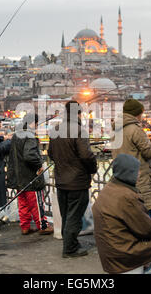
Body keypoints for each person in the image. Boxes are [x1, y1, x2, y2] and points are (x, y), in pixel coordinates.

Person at [93, 153, 151, 274]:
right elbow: (148, 230)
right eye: (136, 171)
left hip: (110, 253)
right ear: (128, 173)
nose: (139, 174)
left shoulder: (108, 189)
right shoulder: (127, 196)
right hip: (124, 255)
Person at [49, 101, 97, 258]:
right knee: (74, 216)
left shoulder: (55, 129)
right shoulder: (79, 130)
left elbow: (50, 154)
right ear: (78, 114)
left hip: (61, 179)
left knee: (66, 215)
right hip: (77, 181)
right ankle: (69, 249)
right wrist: (93, 169)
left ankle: (70, 243)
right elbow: (86, 155)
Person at [112, 98, 151, 212]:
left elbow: (129, 146)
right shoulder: (135, 129)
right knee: (143, 218)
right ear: (137, 113)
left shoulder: (117, 130)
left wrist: (146, 140)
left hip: (121, 180)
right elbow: (149, 152)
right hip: (139, 181)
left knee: (129, 216)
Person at [7, 113, 53, 235]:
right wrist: (39, 165)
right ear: (33, 123)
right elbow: (30, 155)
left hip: (18, 177)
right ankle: (43, 226)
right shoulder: (30, 135)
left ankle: (25, 227)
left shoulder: (16, 135)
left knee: (23, 203)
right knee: (37, 203)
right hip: (29, 176)